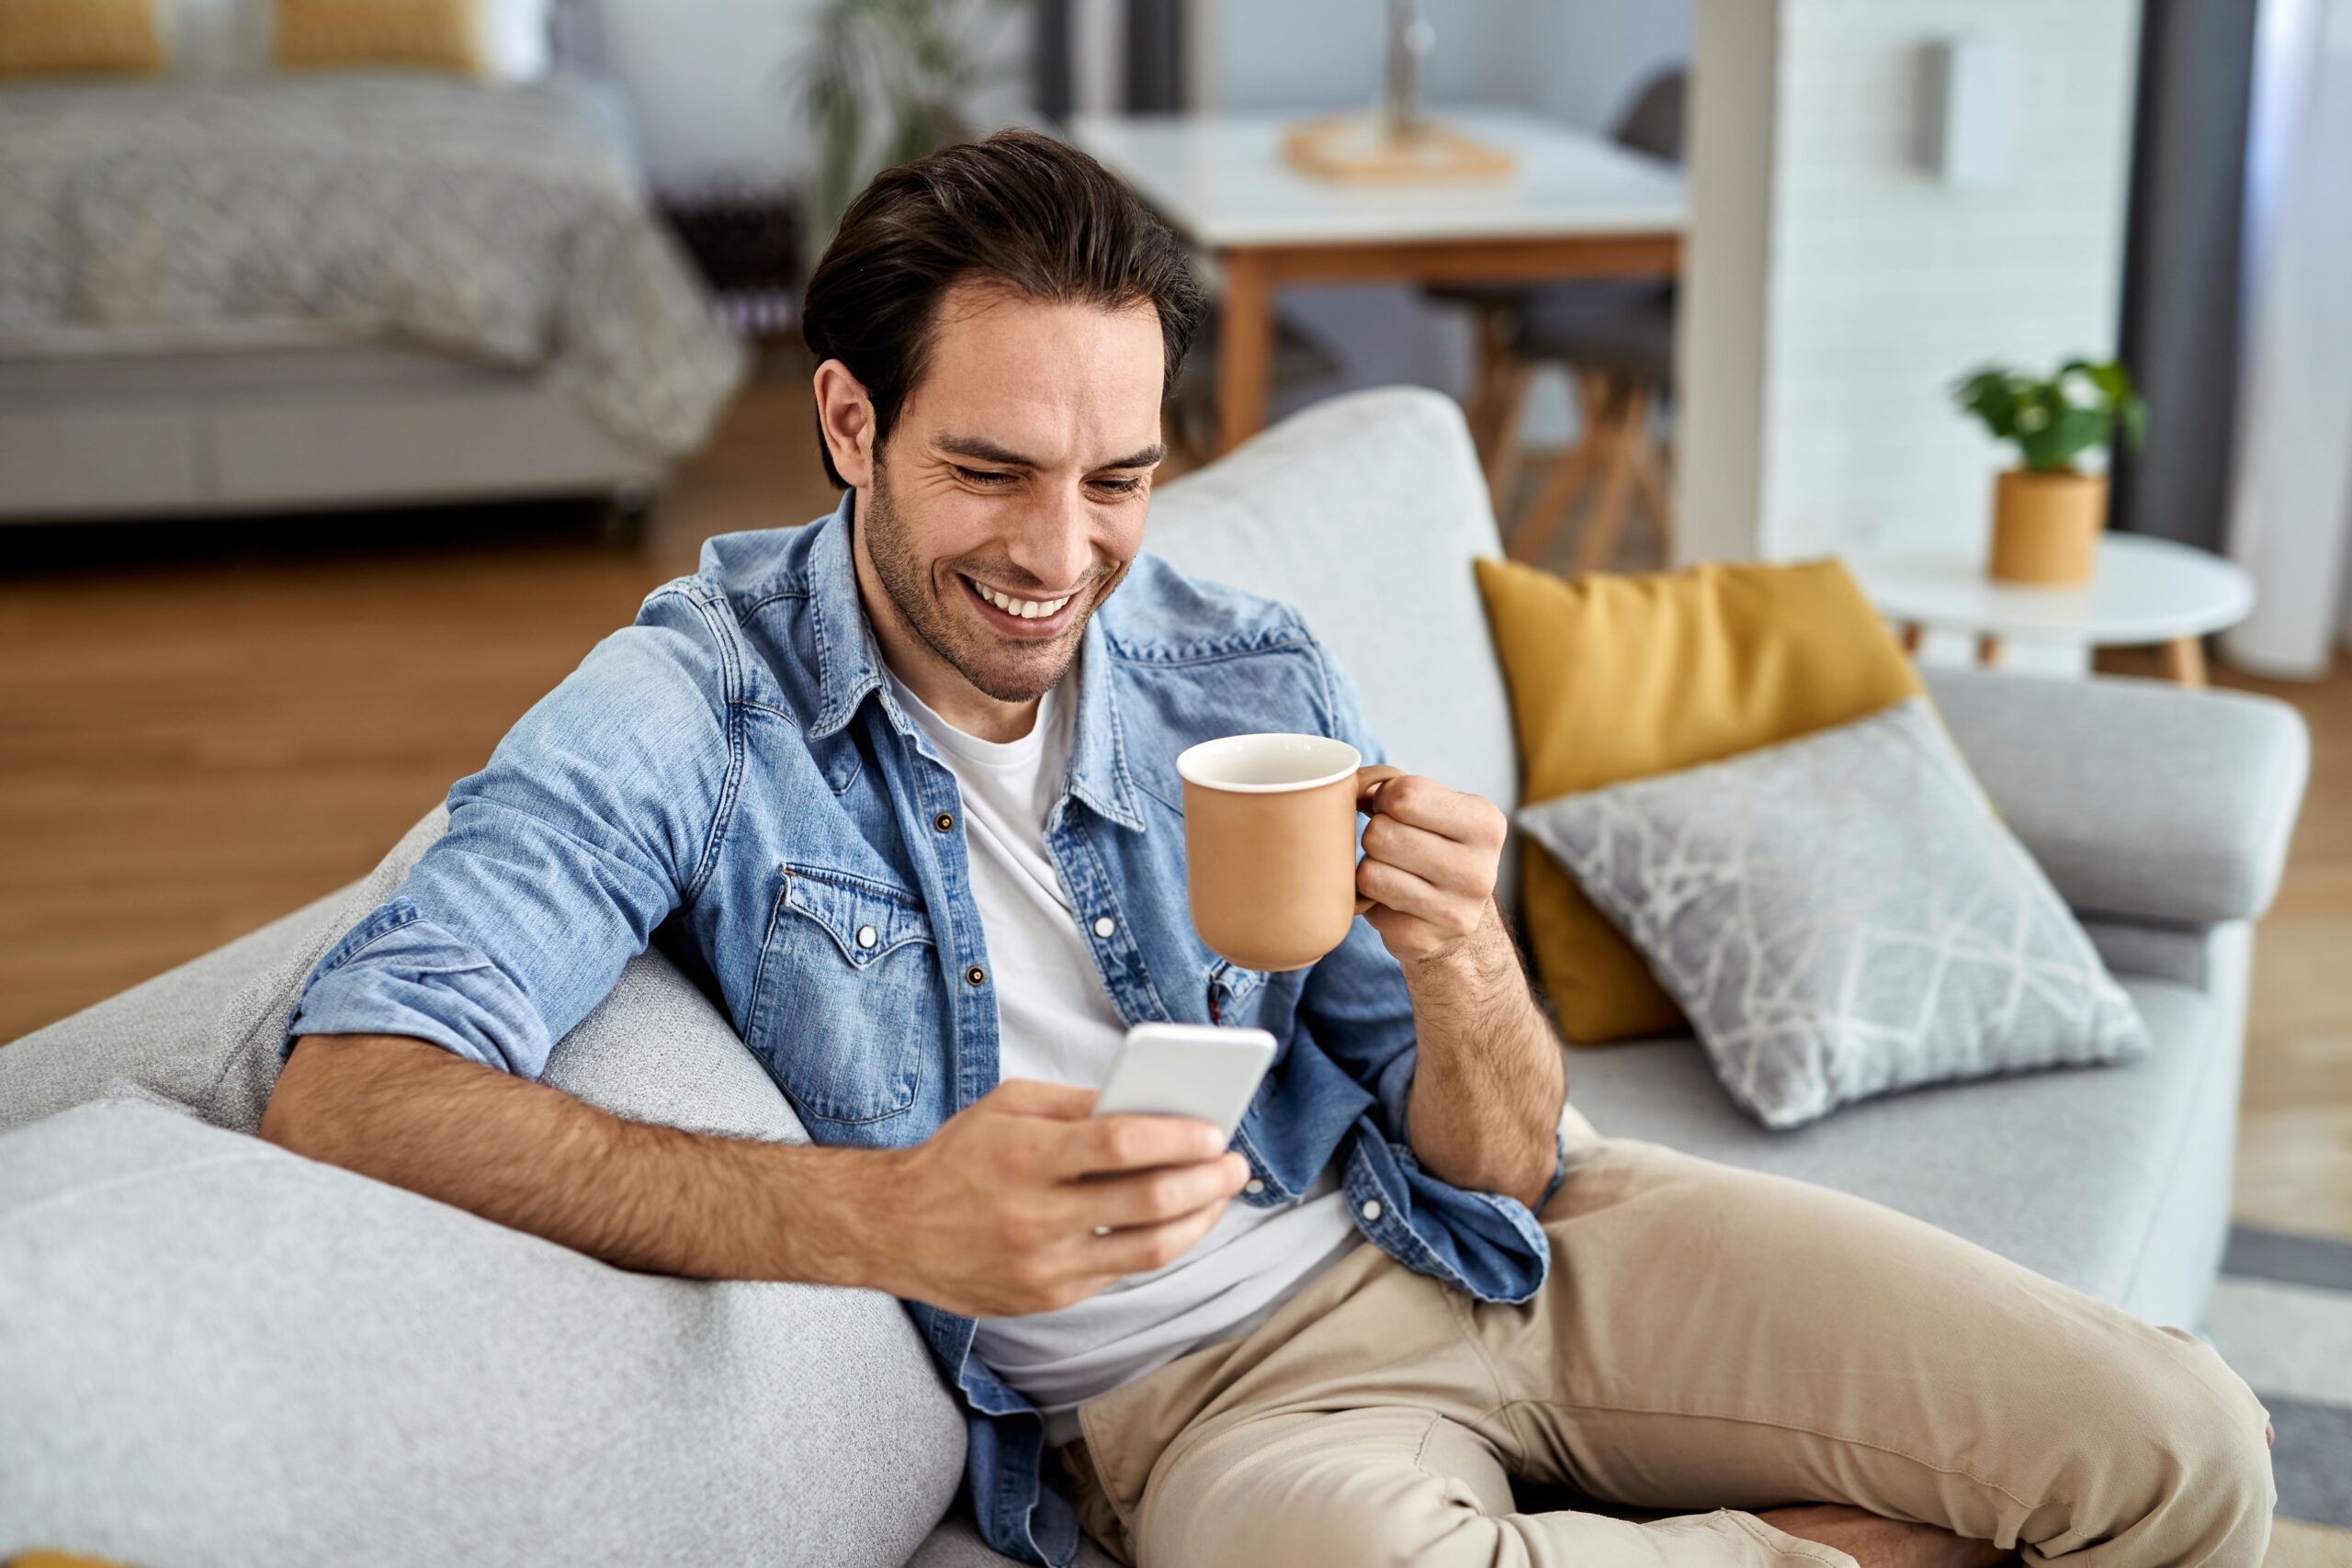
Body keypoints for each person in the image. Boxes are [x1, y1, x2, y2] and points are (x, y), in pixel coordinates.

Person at [259, 130, 2276, 1568]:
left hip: (1505, 1244)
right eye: (987, 470)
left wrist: (1470, 956)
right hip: (1207, 1414)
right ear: (851, 421)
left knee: (2178, 1444)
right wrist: (881, 1219)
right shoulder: (684, 710)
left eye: (1116, 476)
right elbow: (350, 1085)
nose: (1059, 557)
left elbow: (1496, 1154)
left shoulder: (1232, 658)